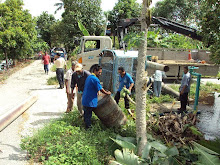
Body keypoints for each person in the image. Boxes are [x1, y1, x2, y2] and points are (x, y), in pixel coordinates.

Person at [82, 64, 111, 129]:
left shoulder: (89, 77)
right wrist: (107, 93)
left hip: (85, 99)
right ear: (95, 70)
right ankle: (88, 129)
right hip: (90, 100)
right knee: (88, 115)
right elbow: (100, 89)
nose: (100, 74)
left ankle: (86, 127)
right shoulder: (95, 79)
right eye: (99, 72)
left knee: (86, 115)